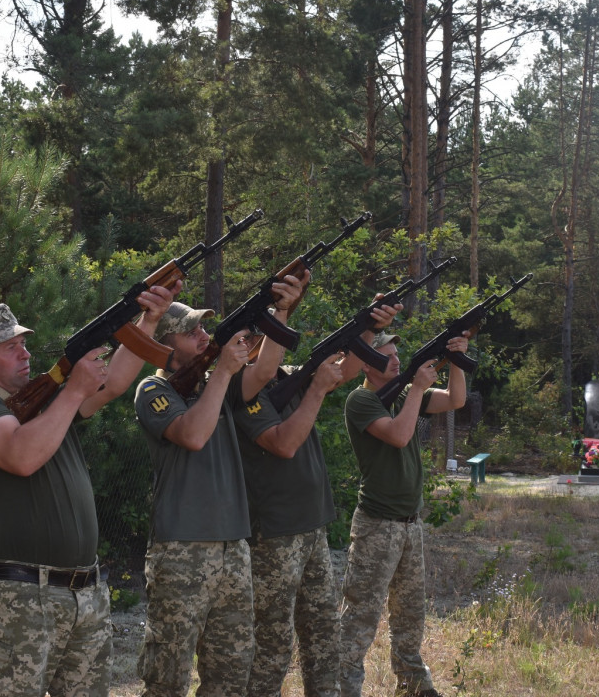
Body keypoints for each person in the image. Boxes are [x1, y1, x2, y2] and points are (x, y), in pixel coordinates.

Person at [0, 284, 177, 697]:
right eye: (9, 347)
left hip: (85, 594)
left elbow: (114, 383)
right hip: (22, 599)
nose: (25, 353)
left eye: (22, 343)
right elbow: (21, 456)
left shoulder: (43, 400)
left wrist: (150, 321)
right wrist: (72, 391)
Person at [133, 275, 306, 697]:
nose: (202, 335)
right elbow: (192, 435)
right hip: (182, 548)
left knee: (231, 667)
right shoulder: (153, 388)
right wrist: (223, 370)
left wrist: (280, 312)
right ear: (167, 344)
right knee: (168, 674)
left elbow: (264, 370)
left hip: (233, 544)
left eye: (203, 329)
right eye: (191, 331)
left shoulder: (218, 383)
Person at [234, 302, 401, 697]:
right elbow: (284, 444)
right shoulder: (245, 396)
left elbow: (346, 369)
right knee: (272, 644)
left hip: (312, 529)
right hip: (274, 535)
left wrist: (366, 328)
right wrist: (317, 389)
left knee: (323, 634)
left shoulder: (291, 378)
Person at [337, 329, 470, 697]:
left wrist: (455, 359)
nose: (397, 360)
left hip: (410, 525)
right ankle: (342, 688)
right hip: (377, 526)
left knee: (410, 616)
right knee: (360, 616)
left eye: (399, 354)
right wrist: (414, 389)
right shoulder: (361, 400)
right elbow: (397, 435)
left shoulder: (404, 395)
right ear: (367, 362)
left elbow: (455, 399)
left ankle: (413, 685)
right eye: (388, 355)